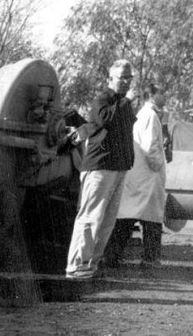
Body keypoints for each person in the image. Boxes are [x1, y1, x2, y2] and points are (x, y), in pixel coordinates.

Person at [66, 59, 136, 280]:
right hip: (100, 166)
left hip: (118, 167)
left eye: (129, 77)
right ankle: (76, 265)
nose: (126, 81)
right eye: (121, 77)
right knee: (90, 216)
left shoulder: (123, 102)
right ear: (110, 79)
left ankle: (90, 265)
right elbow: (104, 119)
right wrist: (127, 102)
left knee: (106, 220)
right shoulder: (103, 99)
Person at [106, 81, 171, 267]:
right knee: (147, 219)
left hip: (141, 174)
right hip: (148, 175)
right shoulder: (150, 116)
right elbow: (150, 146)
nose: (165, 97)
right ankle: (148, 258)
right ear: (151, 96)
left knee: (131, 216)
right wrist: (158, 165)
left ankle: (113, 256)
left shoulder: (145, 114)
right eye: (162, 93)